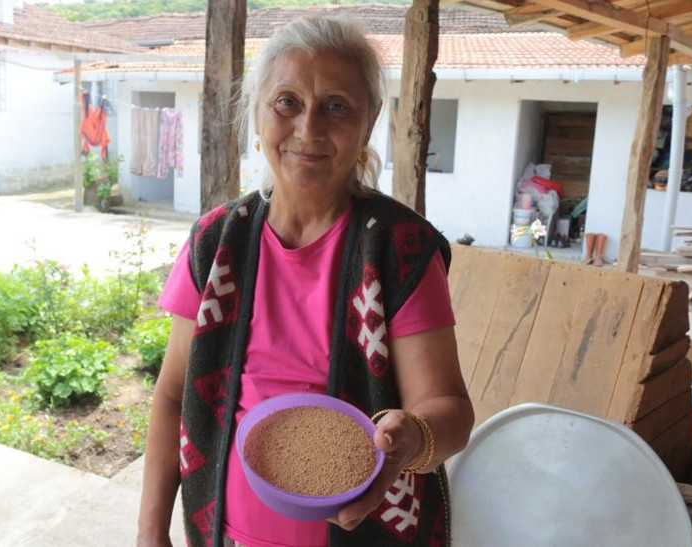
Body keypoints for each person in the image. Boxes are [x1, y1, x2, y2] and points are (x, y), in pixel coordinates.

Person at [137, 15, 474, 547]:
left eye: (336, 106)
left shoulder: (399, 249)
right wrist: (151, 531)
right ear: (257, 114)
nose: (308, 129)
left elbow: (450, 411)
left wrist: (410, 440)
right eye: (287, 102)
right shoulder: (216, 241)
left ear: (369, 120)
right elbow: (174, 395)